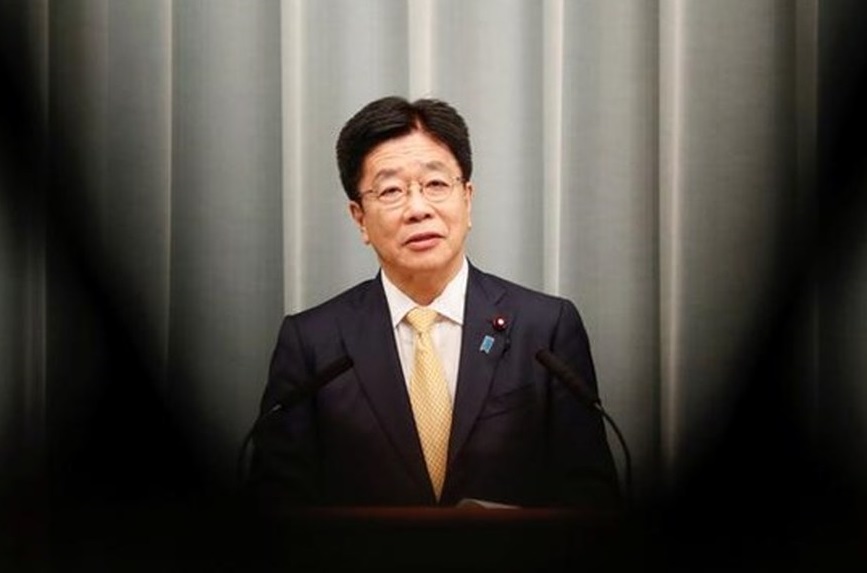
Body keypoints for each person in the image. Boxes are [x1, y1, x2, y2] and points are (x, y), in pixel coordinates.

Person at [250, 96, 619, 510]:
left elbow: (592, 497)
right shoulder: (312, 344)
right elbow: (276, 507)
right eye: (391, 190)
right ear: (360, 218)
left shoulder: (546, 328)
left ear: (468, 198)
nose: (418, 209)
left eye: (436, 184)